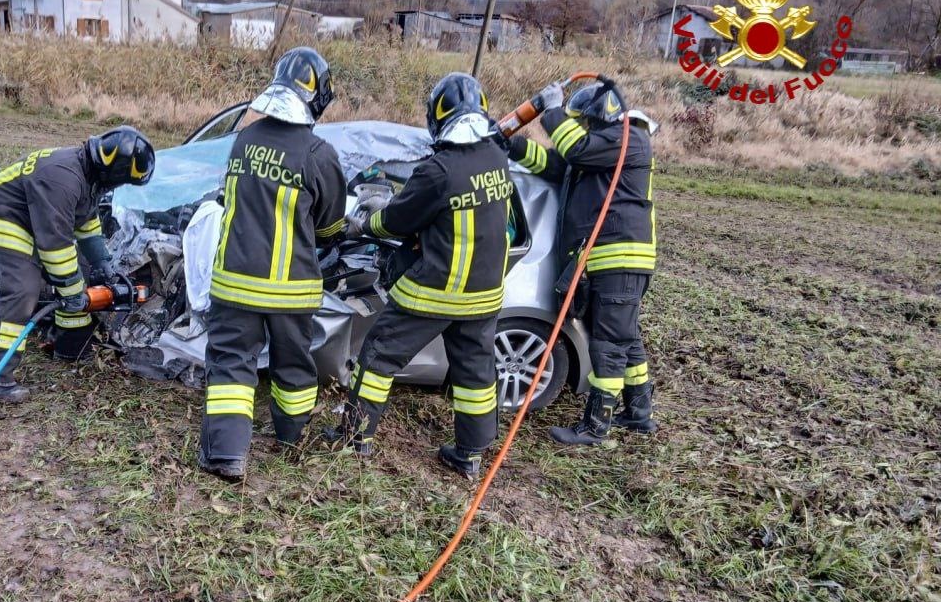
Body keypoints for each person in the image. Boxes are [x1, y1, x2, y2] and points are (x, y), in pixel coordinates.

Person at [337, 72, 512, 481]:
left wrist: (364, 226)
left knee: (378, 356)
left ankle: (354, 438)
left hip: (436, 291)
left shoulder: (439, 170)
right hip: (484, 294)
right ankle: (469, 455)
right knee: (475, 375)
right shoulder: (495, 159)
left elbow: (397, 220)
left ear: (438, 116)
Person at [198, 47, 348, 481]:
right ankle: (290, 438)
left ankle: (226, 455)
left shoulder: (244, 139)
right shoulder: (319, 153)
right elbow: (330, 228)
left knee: (230, 366)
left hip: (234, 283)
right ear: (318, 96)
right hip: (291, 291)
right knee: (293, 366)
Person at [505, 79, 657, 444]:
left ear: (599, 117)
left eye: (584, 122)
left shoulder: (627, 139)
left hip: (618, 259)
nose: (582, 128)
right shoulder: (598, 151)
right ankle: (639, 413)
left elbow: (574, 148)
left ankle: (595, 427)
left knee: (606, 344)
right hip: (607, 261)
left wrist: (553, 110)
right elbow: (554, 164)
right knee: (624, 338)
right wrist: (509, 143)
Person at [0, 126, 156, 403]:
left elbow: (86, 221)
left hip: (35, 218)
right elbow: (55, 245)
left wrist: (102, 263)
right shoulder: (63, 179)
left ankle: (68, 348)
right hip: (5, 213)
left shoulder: (89, 174)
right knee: (23, 289)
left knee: (78, 272)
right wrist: (72, 292)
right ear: (115, 172)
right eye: (123, 181)